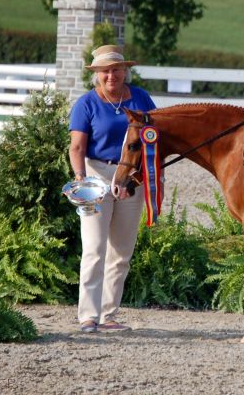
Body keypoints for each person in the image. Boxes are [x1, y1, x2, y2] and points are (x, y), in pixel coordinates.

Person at [68, 45, 158, 333]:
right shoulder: (86, 104)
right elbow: (77, 147)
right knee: (94, 248)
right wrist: (81, 179)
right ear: (97, 73)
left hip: (132, 177)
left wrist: (146, 175)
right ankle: (88, 315)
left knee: (121, 251)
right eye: (105, 71)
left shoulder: (142, 99)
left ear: (124, 71)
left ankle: (108, 315)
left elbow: (156, 137)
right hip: (96, 174)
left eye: (116, 69)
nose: (111, 75)